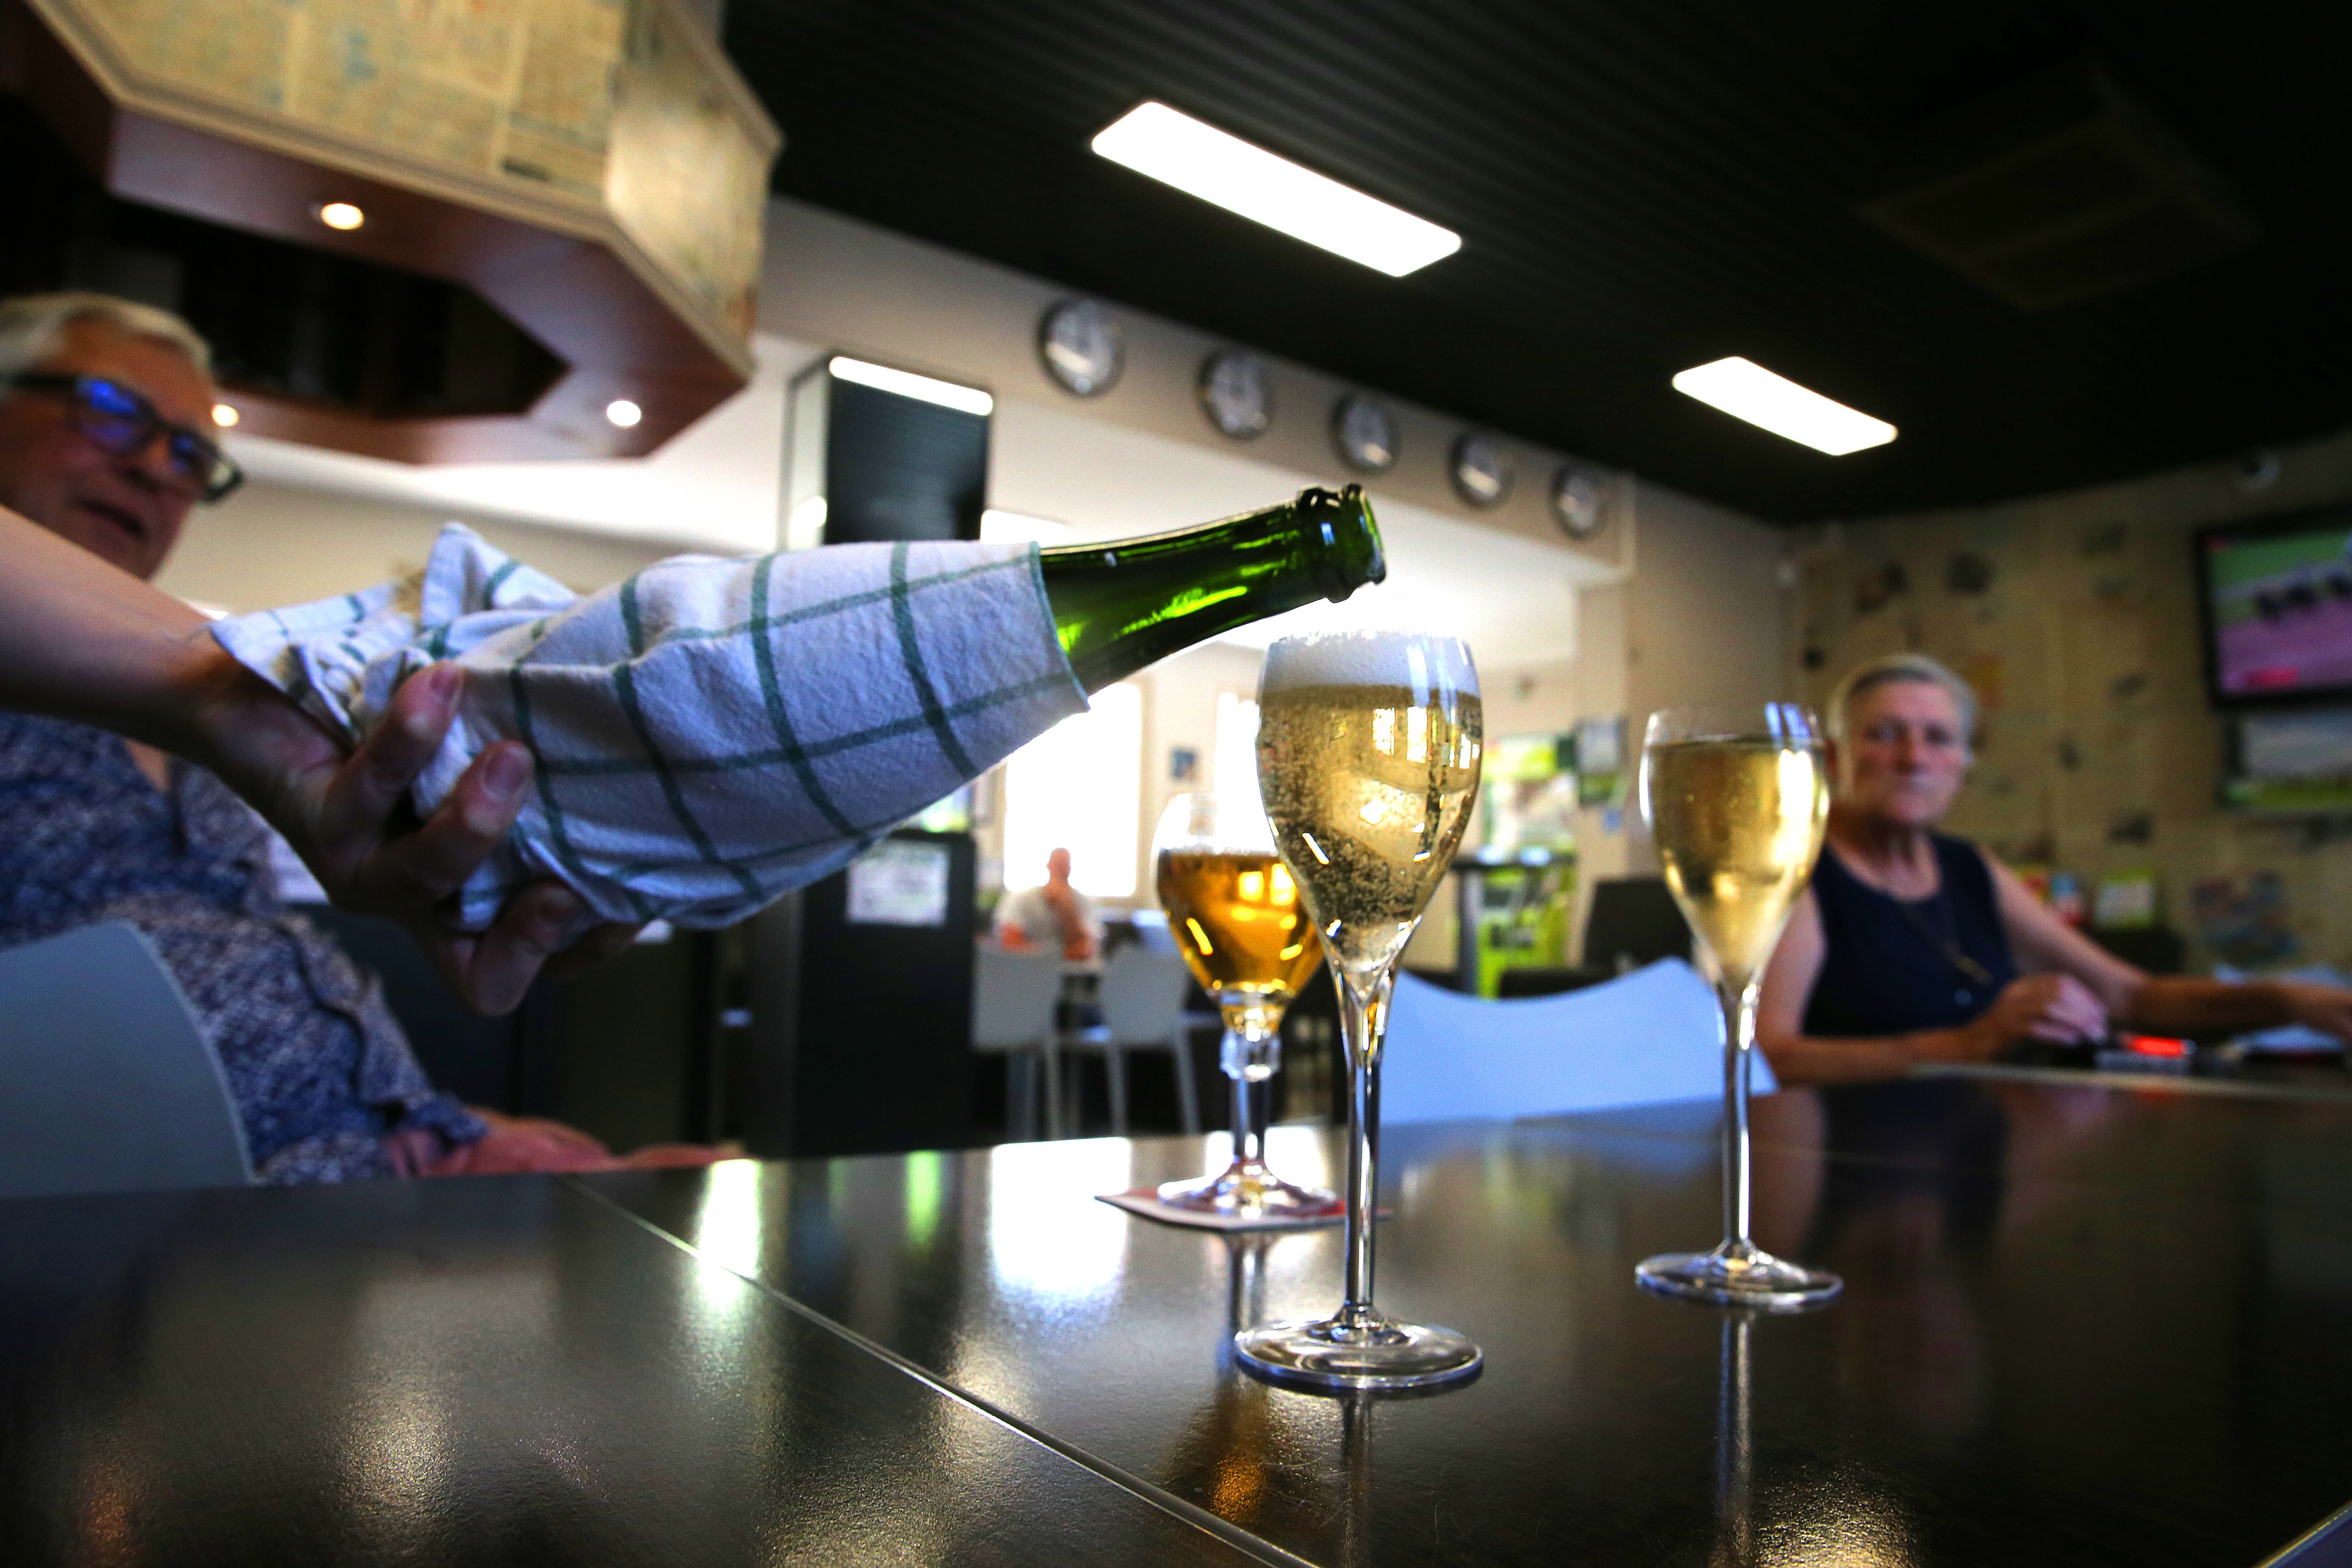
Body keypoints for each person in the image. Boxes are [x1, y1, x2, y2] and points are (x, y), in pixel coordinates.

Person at [0, 289, 702, 1180]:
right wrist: (222, 685)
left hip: (368, 1180)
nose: (154, 468)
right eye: (110, 411)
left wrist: (451, 1132)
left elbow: (244, 949)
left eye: (191, 454)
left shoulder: (201, 740)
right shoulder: (212, 692)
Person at [1755, 652, 2352, 1085]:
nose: (1915, 758)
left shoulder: (1969, 867)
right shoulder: (1799, 871)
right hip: (1850, 1165)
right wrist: (1968, 1045)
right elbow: (1769, 1057)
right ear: (1833, 757)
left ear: (1964, 762)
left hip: (1975, 1150)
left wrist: (2288, 999)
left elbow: (2132, 994)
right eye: (1885, 735)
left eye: (1938, 737)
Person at [995, 847, 1102, 964]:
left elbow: (1087, 950)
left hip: (1072, 978)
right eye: (1057, 864)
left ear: (1070, 869)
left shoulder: (1084, 903)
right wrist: (1052, 958)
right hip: (1026, 974)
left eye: (1064, 865)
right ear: (1049, 866)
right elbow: (1010, 947)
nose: (1061, 868)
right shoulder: (1020, 899)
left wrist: (1067, 910)